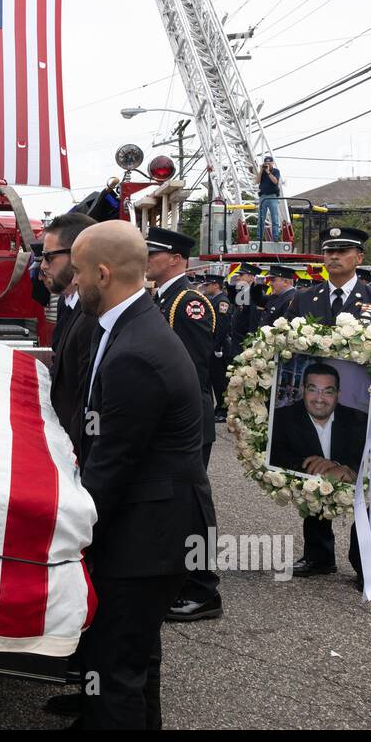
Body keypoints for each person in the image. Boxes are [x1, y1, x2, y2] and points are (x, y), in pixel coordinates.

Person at [70, 220, 215, 729]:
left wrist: (70, 534)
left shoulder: (135, 351)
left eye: (80, 272)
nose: (75, 282)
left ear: (103, 274)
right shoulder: (133, 328)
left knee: (114, 672)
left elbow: (114, 464)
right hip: (154, 528)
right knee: (134, 662)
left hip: (144, 537)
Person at [287, 227, 371, 586]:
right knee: (314, 476)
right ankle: (318, 554)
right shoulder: (304, 299)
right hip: (317, 404)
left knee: (364, 485)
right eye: (329, 251)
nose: (334, 257)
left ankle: (366, 565)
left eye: (342, 252)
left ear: (359, 258)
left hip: (361, 410)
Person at [143, 227, 220, 623]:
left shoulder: (187, 302)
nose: (146, 259)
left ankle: (204, 590)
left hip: (186, 422)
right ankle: (180, 579)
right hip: (173, 421)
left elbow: (190, 370)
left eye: (153, 253)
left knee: (192, 508)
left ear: (175, 258)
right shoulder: (162, 298)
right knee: (174, 506)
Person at [40, 213, 96, 454]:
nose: (42, 266)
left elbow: (91, 406)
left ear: (77, 256)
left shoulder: (93, 318)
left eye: (49, 257)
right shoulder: (69, 305)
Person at [269, 362, 366, 480]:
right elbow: (277, 460)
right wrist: (327, 470)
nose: (319, 399)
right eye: (313, 390)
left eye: (328, 392)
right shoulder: (278, 419)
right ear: (302, 390)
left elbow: (368, 464)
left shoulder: (360, 421)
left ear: (338, 394)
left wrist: (338, 466)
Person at [200, 275, 234, 424]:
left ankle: (223, 410)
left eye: (208, 285)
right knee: (213, 379)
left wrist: (218, 346)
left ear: (216, 285)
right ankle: (219, 407)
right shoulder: (213, 300)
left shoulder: (221, 301)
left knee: (220, 380)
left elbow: (222, 326)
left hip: (218, 346)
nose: (205, 287)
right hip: (213, 344)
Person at [256, 156, 283, 243]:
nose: (267, 164)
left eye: (269, 163)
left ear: (272, 163)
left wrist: (268, 172)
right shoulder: (262, 172)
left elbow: (275, 181)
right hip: (263, 196)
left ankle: (275, 237)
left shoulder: (276, 171)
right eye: (266, 163)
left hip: (272, 196)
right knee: (261, 218)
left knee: (274, 217)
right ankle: (259, 237)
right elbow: (257, 181)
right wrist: (261, 171)